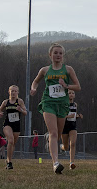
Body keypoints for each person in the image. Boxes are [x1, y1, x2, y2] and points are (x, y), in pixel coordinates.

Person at [30, 43, 81, 174]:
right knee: (53, 132)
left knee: (57, 134)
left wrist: (66, 85)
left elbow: (78, 86)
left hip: (62, 104)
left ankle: (51, 141)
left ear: (63, 56)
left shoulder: (68, 69)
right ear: (50, 55)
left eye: (60, 53)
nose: (58, 55)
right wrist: (34, 88)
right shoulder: (45, 70)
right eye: (55, 53)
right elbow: (36, 81)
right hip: (48, 102)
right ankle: (55, 163)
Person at [0, 85, 28, 170]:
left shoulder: (20, 101)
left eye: (15, 91)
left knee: (13, 143)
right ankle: (9, 162)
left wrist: (20, 110)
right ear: (9, 92)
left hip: (16, 124)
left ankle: (8, 160)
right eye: (12, 91)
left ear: (18, 92)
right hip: (7, 124)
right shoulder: (5, 102)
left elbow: (25, 112)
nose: (13, 93)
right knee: (10, 140)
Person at [60, 89, 83, 170]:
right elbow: (60, 115)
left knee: (72, 143)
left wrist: (78, 116)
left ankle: (71, 163)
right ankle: (62, 147)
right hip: (64, 126)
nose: (71, 94)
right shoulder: (63, 104)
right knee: (66, 147)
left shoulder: (75, 105)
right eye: (69, 93)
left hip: (73, 126)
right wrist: (67, 116)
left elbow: (74, 114)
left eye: (73, 93)